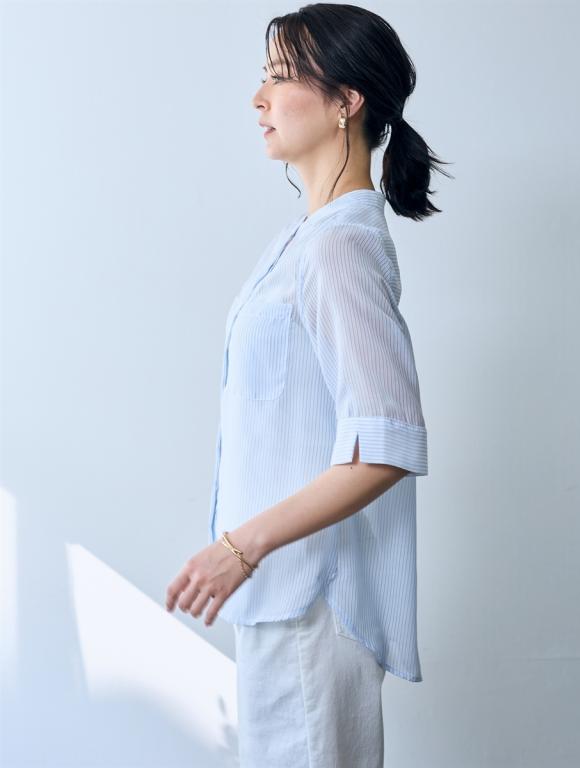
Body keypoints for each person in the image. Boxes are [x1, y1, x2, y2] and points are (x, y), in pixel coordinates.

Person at [166, 4, 452, 766]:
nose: (258, 98)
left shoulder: (338, 248)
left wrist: (240, 547)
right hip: (286, 605)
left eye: (280, 78)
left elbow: (387, 444)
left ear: (345, 101)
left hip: (311, 607)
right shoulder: (309, 240)